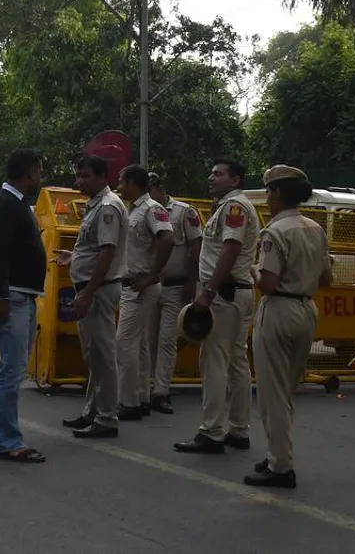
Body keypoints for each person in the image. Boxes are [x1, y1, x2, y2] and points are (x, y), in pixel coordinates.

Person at [244, 165, 329, 489]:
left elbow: (267, 282)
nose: (266, 198)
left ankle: (280, 466)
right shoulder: (314, 229)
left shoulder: (274, 233)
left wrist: (253, 270)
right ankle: (277, 454)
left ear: (278, 193)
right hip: (307, 308)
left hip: (278, 308)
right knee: (286, 391)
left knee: (272, 394)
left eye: (268, 191)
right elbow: (326, 278)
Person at [175, 158, 260, 455]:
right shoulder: (232, 206)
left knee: (214, 360)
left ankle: (211, 432)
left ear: (235, 180)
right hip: (238, 293)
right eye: (211, 173)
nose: (211, 178)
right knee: (237, 361)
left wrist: (208, 291)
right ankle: (238, 429)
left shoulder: (234, 207)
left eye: (218, 174)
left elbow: (231, 248)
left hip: (223, 295)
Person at [0, 149, 48, 464]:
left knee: (10, 368)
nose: (40, 177)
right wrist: (0, 296)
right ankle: (9, 441)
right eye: (38, 171)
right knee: (13, 370)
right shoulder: (5, 204)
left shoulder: (16, 203)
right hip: (12, 297)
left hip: (23, 295)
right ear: (28, 172)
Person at [58, 155, 127, 439]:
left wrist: (88, 292)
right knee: (93, 354)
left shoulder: (108, 207)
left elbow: (107, 252)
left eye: (85, 176)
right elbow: (94, 247)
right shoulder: (95, 205)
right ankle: (92, 410)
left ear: (102, 177)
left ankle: (107, 418)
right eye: (78, 175)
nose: (79, 181)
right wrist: (73, 257)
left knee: (102, 354)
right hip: (90, 288)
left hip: (98, 289)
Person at [114, 165, 174, 420]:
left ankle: (128, 402)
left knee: (124, 343)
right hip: (132, 285)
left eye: (121, 181)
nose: (118, 185)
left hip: (141, 287)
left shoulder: (152, 209)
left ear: (132, 183)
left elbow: (168, 239)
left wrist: (152, 275)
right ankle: (140, 397)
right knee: (138, 347)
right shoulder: (135, 209)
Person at [146, 172, 202, 414]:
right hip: (150, 285)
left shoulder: (183, 212)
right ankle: (145, 388)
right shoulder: (141, 210)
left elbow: (196, 245)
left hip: (176, 285)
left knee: (167, 340)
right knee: (148, 340)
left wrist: (192, 280)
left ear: (160, 187)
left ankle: (161, 391)